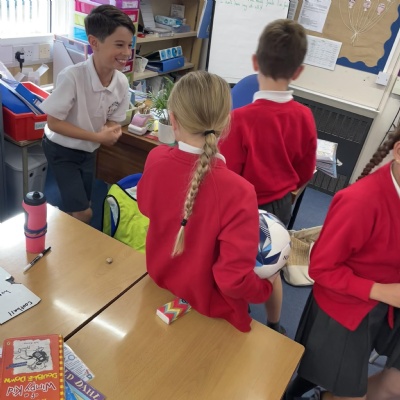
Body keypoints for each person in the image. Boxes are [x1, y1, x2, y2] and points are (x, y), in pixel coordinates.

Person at [137, 71, 276, 333]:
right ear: (226, 123)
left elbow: (145, 207)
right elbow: (233, 280)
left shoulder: (155, 159)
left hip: (159, 283)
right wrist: (265, 288)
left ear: (173, 121)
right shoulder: (240, 192)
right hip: (211, 309)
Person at [285, 128, 400, 400]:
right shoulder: (361, 202)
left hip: (387, 301)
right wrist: (381, 291)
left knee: (395, 386)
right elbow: (321, 268)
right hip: (345, 306)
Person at [219, 19, 317, 334]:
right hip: (280, 206)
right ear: (298, 72)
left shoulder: (239, 119)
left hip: (243, 209)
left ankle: (239, 314)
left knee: (236, 264)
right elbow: (305, 171)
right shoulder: (304, 116)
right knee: (271, 268)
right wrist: (286, 191)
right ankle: (275, 324)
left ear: (254, 63)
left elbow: (227, 175)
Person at [41, 5, 136, 224]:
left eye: (129, 45)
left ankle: (69, 224)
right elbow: (54, 123)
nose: (127, 52)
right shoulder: (73, 77)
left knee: (84, 203)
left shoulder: (121, 82)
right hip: (61, 148)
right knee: (83, 212)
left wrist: (110, 130)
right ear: (94, 42)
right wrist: (97, 136)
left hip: (89, 149)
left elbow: (113, 120)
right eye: (119, 45)